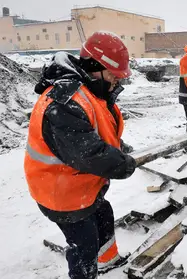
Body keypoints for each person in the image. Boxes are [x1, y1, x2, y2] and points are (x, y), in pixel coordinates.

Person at [24, 31, 137, 279]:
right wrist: (123, 165)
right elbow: (89, 153)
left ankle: (108, 261)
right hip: (61, 195)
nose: (117, 82)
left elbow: (97, 132)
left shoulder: (89, 92)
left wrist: (120, 148)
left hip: (82, 185)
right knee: (83, 246)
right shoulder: (64, 103)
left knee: (104, 215)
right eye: (113, 76)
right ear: (95, 68)